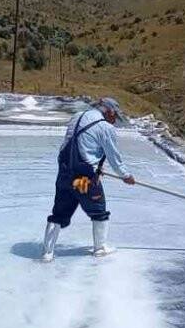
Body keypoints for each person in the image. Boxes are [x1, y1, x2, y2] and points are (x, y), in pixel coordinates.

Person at [40, 98, 136, 262]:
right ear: (109, 111)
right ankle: (100, 248)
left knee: (59, 213)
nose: (115, 121)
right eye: (115, 117)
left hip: (64, 175)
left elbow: (78, 145)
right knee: (98, 211)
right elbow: (113, 157)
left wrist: (96, 165)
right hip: (83, 179)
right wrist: (125, 175)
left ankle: (47, 253)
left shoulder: (77, 117)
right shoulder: (105, 127)